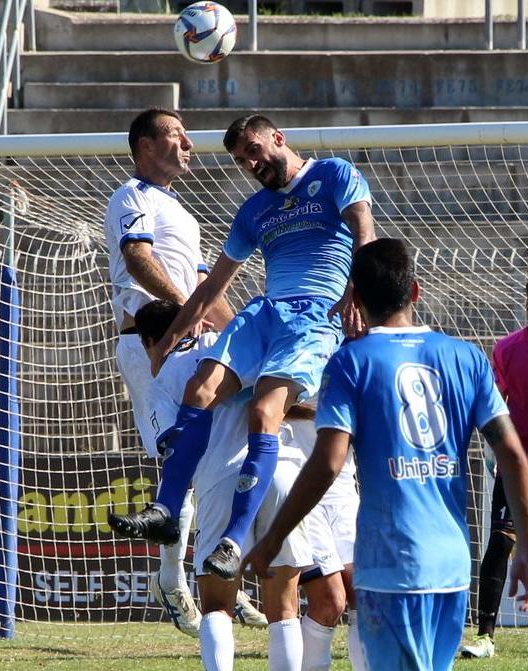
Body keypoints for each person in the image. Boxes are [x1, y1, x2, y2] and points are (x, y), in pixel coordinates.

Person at [242, 238, 528, 671]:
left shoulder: (351, 363)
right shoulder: (467, 358)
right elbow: (513, 457)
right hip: (451, 569)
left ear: (355, 299)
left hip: (390, 566)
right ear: (416, 291)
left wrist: (272, 539)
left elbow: (328, 462)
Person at [110, 113, 377, 581]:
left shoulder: (333, 173)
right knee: (201, 387)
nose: (250, 164)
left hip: (316, 315)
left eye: (254, 151)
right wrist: (170, 338)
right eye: (240, 160)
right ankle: (166, 510)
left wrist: (359, 286)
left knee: (263, 412)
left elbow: (365, 231)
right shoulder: (254, 210)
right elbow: (213, 284)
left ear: (279, 137)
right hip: (265, 311)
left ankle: (234, 540)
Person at [103, 107, 244, 635]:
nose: (187, 141)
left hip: (193, 343)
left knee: (215, 463)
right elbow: (138, 258)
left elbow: (212, 293)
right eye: (174, 133)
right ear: (144, 145)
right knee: (178, 461)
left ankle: (222, 579)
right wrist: (186, 311)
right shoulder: (130, 197)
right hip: (150, 346)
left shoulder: (181, 212)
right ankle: (171, 582)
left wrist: (245, 334)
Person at [133, 301, 309, 671]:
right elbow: (281, 401)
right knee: (285, 607)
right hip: (280, 471)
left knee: (216, 606)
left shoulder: (163, 380)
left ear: (152, 340)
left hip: (222, 479)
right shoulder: (235, 343)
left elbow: (176, 450)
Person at [462, 272, 528, 659]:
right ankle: (486, 636)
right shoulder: (506, 350)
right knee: (500, 542)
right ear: (526, 307)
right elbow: (493, 404)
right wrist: (493, 451)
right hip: (520, 468)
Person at [280, 406, 365, 671]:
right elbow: (265, 402)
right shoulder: (286, 363)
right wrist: (327, 412)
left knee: (366, 599)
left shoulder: (351, 366)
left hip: (344, 492)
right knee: (330, 601)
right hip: (300, 488)